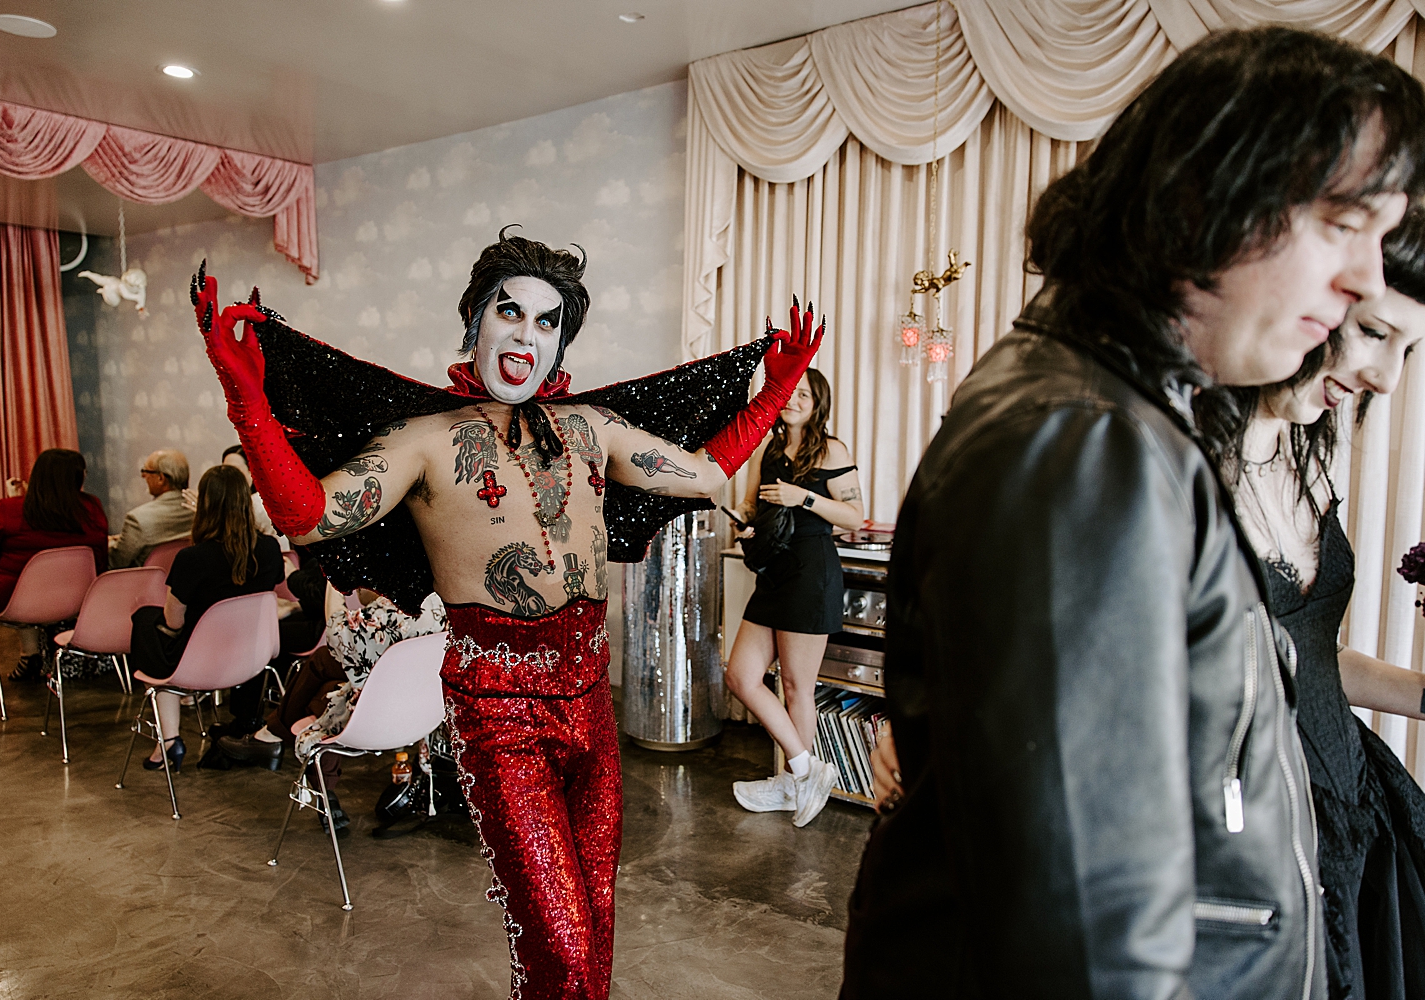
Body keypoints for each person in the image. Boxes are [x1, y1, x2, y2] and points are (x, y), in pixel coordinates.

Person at [843, 27, 1425, 999]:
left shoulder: (1129, 420)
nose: (1366, 277)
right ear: (1207, 194)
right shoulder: (1082, 441)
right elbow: (1089, 929)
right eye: (1342, 226)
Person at [191, 229, 822, 1000]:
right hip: (499, 715)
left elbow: (705, 471)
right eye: (510, 312)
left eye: (547, 322)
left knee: (592, 922)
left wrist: (776, 389)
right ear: (475, 319)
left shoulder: (593, 429)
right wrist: (245, 397)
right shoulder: (424, 440)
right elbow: (309, 517)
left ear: (561, 342)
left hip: (592, 703)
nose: (526, 335)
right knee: (555, 938)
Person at [1211, 211, 1425, 998]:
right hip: (1248, 835)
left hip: (1350, 805)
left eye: (1408, 349)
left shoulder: (1308, 454)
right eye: (1374, 333)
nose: (1387, 378)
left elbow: (1312, 658)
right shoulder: (1177, 467)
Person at [726, 368, 864, 826]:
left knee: (795, 687)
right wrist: (743, 520)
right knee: (741, 675)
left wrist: (800, 498)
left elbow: (855, 518)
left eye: (804, 393)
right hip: (773, 570)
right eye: (790, 392)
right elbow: (750, 503)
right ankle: (807, 772)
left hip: (811, 571)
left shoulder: (832, 449)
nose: (794, 399)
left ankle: (792, 783)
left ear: (817, 400)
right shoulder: (765, 446)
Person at [219, 589, 447, 831]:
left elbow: (335, 633)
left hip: (369, 722)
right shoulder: (442, 608)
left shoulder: (385, 613)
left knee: (322, 677)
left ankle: (274, 736)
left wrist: (343, 591)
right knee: (329, 688)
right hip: (420, 716)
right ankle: (274, 741)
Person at [127, 463, 284, 771]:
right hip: (252, 657)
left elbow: (174, 622)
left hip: (200, 663)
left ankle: (169, 742)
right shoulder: (268, 548)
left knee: (146, 622)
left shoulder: (192, 558)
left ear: (204, 507)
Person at [0, 448, 109, 692]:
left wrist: (13, 499)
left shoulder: (10, 510)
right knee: (33, 588)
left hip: (16, 601)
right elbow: (100, 558)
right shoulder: (92, 508)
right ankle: (29, 658)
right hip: (74, 602)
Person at [108, 448, 193, 568]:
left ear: (161, 479)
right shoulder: (199, 513)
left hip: (141, 584)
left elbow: (115, 563)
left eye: (146, 471)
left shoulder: (137, 519)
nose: (143, 476)